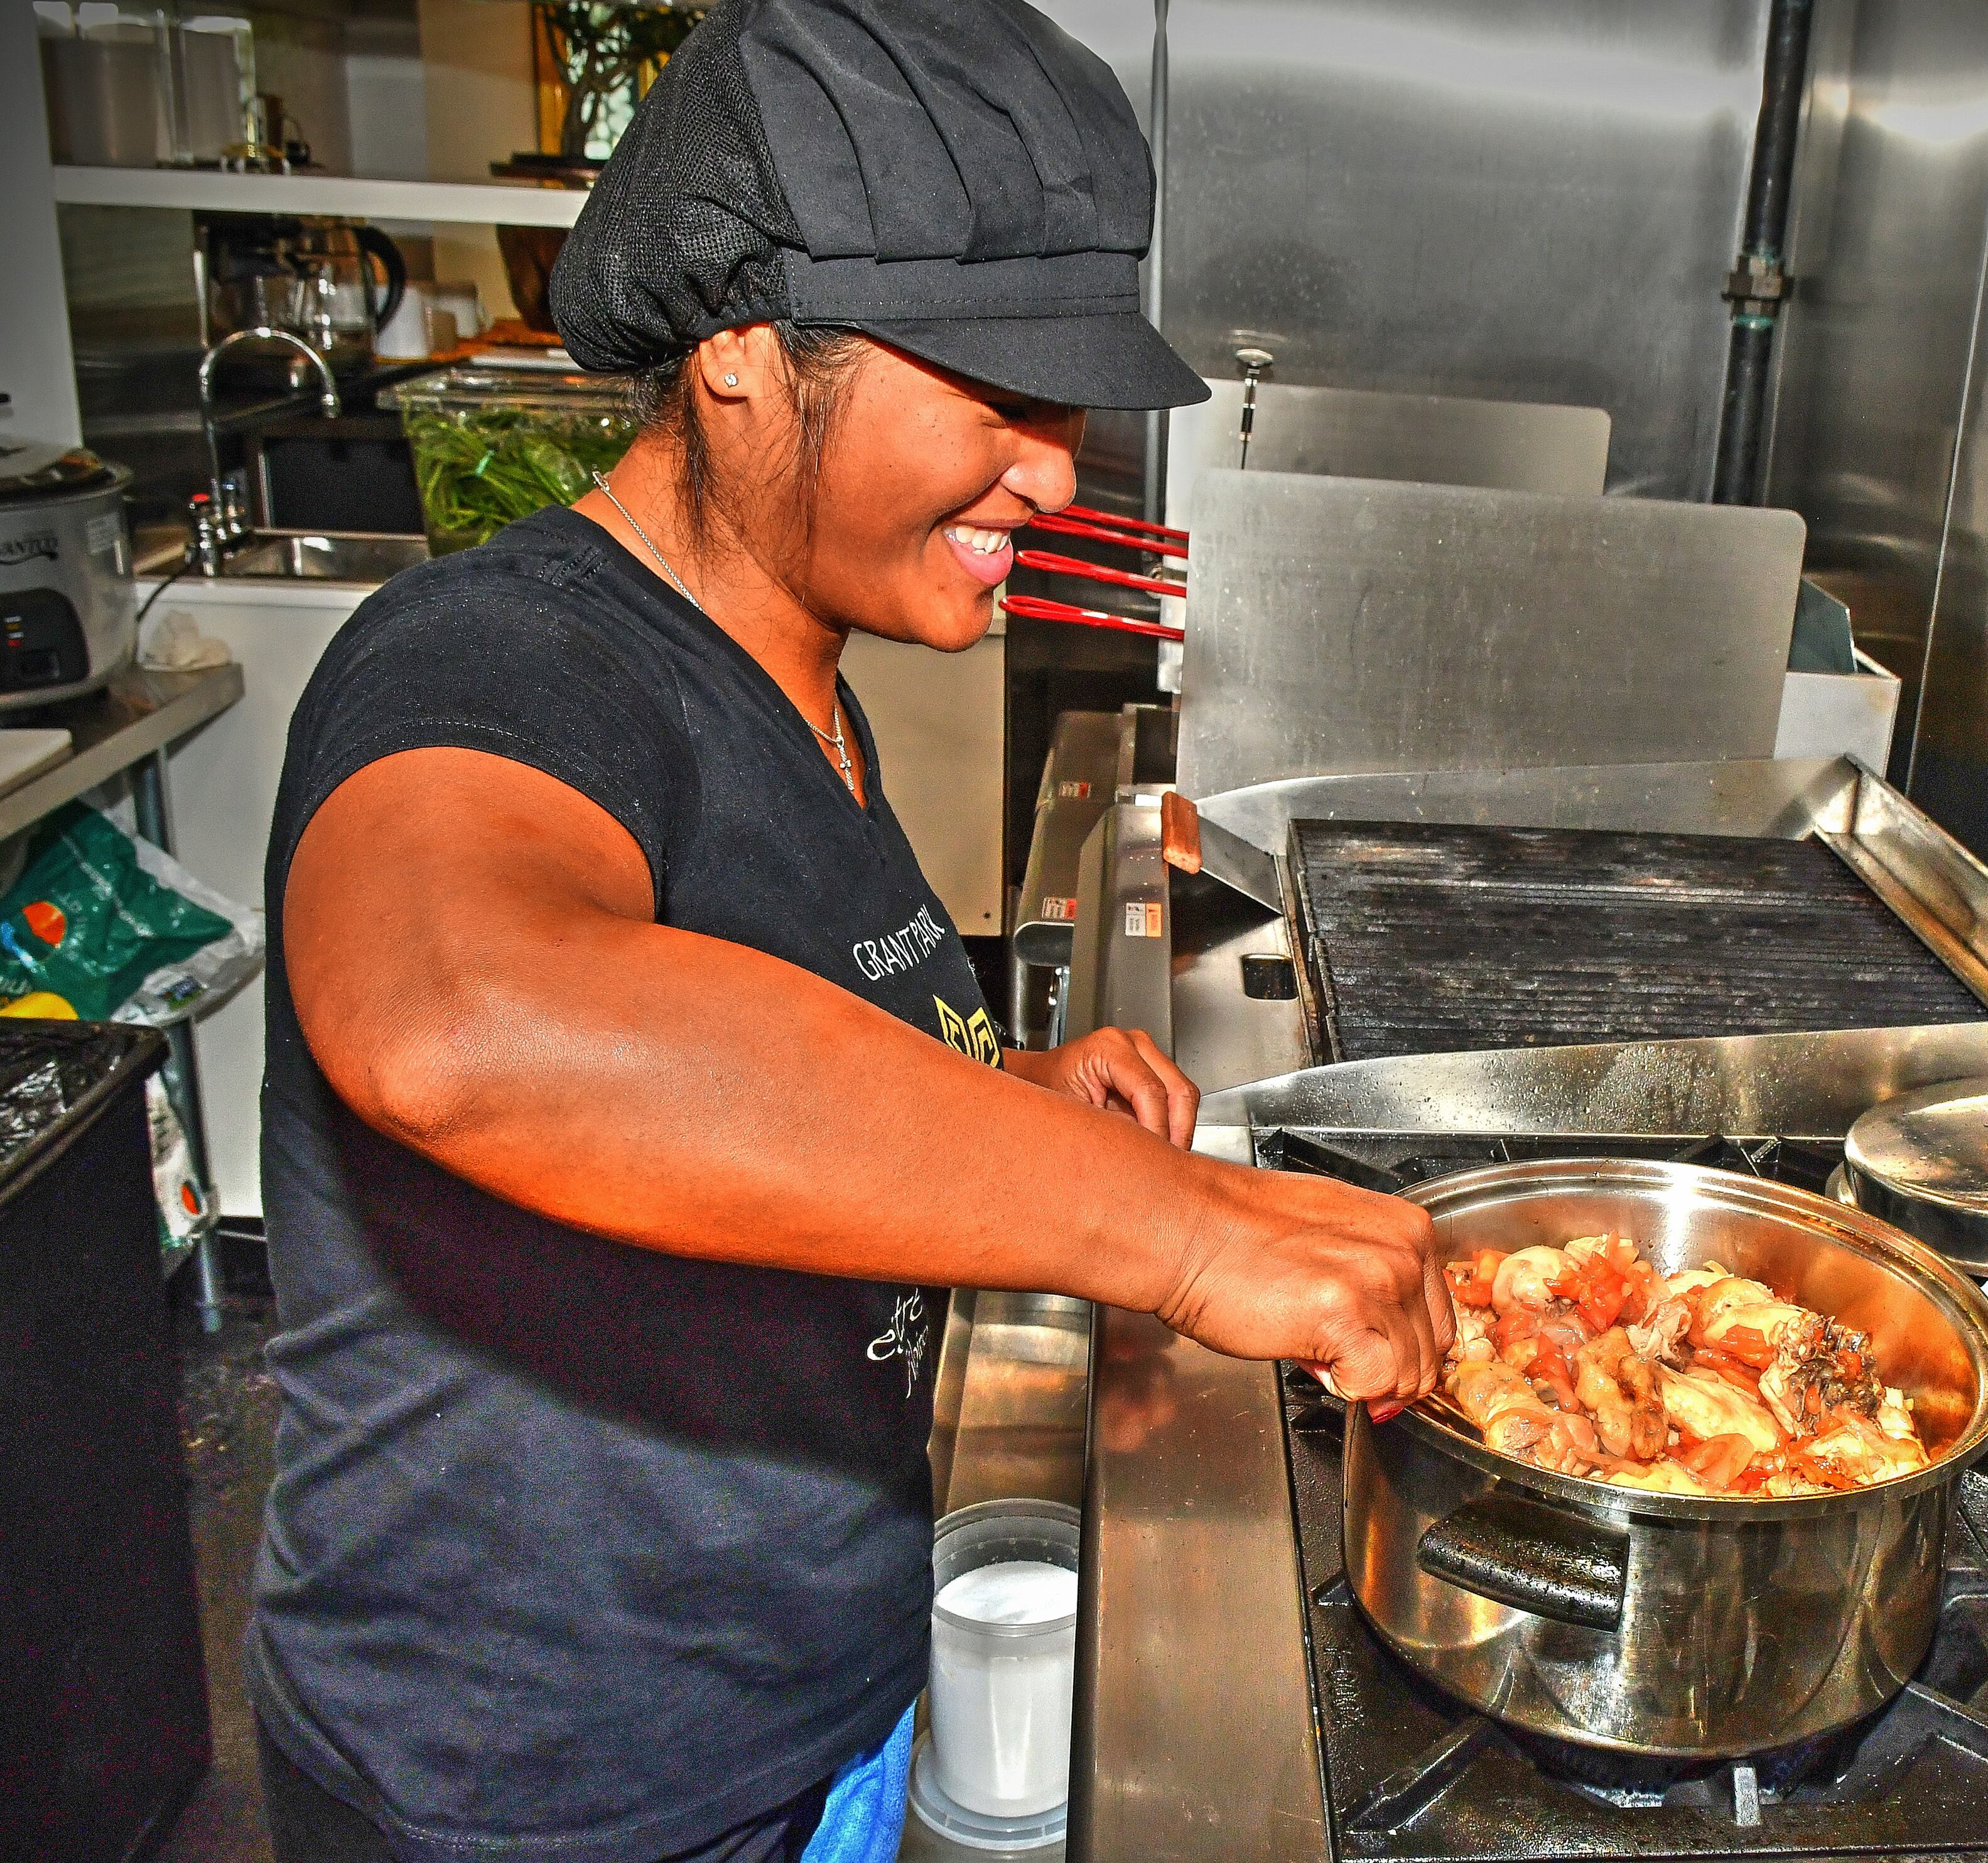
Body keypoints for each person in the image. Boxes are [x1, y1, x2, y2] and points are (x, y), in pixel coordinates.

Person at [245, 3, 1448, 1860]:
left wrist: (1009, 1093)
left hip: (802, 1713)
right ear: (739, 350)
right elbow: (457, 1013)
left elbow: (734, 1051)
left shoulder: (800, 677)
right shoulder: (501, 659)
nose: (1053, 470)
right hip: (545, 1798)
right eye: (994, 391)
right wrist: (1183, 1238)